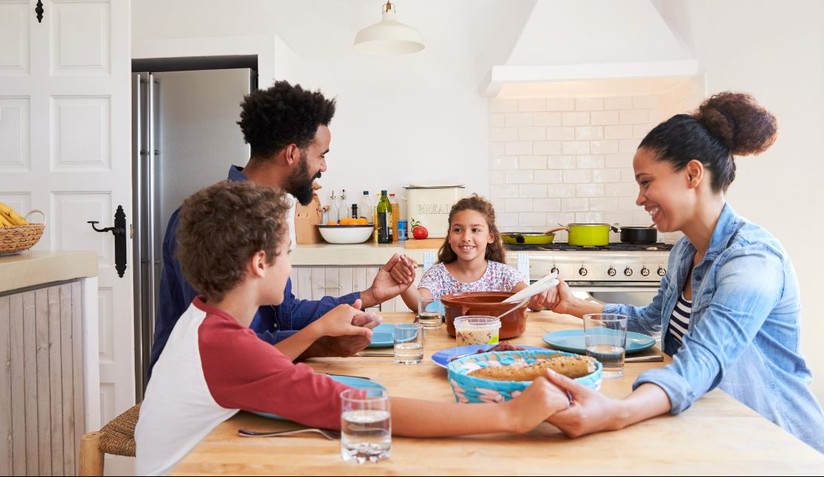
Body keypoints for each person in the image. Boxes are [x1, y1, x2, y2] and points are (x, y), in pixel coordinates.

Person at [135, 181, 573, 475]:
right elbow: (356, 406)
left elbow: (260, 366)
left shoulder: (204, 319)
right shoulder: (226, 344)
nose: (290, 263)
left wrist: (319, 333)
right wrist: (507, 415)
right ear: (260, 263)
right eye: (288, 252)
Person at [539, 91, 824, 453]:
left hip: (776, 443)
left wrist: (616, 412)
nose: (640, 199)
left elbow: (705, 358)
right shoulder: (684, 251)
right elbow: (648, 321)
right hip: (713, 430)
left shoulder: (753, 260)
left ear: (692, 174)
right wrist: (572, 304)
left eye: (646, 182)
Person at [151, 81, 415, 375]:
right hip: (200, 395)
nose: (324, 167)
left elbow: (283, 315)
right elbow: (225, 347)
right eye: (322, 154)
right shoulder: (213, 219)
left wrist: (369, 296)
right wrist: (320, 342)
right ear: (292, 154)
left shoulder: (266, 216)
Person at [400, 194, 548, 311]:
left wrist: (544, 294)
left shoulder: (504, 275)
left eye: (475, 230)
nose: (466, 238)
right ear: (449, 236)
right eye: (458, 230)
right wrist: (405, 282)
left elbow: (534, 304)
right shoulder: (438, 275)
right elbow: (418, 304)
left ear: (490, 236)